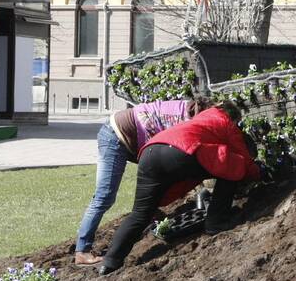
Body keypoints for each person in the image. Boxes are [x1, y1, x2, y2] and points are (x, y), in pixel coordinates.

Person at [97, 102, 262, 275]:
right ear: (232, 117)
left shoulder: (200, 118)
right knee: (233, 166)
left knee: (140, 214)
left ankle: (110, 262)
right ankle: (216, 223)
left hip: (149, 152)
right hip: (180, 151)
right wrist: (258, 173)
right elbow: (242, 155)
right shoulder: (226, 122)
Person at [75, 98, 209, 266]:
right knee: (104, 196)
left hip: (133, 138)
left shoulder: (186, 109)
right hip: (114, 136)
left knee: (154, 177)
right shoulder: (182, 121)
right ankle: (82, 251)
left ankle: (147, 217)